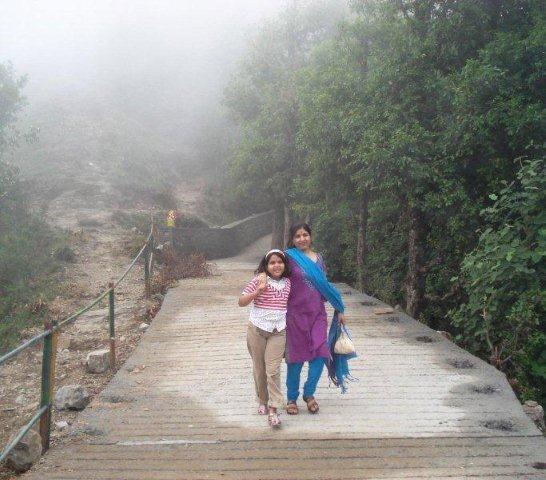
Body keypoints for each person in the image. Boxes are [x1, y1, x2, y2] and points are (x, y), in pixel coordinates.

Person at [284, 223, 347, 415]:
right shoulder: (288, 257)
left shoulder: (319, 258)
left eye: (305, 235)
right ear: (292, 239)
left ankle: (309, 393)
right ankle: (292, 397)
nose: (302, 239)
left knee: (321, 354)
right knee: (295, 359)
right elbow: (274, 276)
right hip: (294, 316)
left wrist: (339, 308)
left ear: (310, 237)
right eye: (297, 236)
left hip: (317, 314)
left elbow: (324, 285)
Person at [238, 249, 291, 428]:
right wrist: (257, 292)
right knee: (259, 369)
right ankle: (262, 400)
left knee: (273, 370)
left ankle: (273, 409)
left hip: (278, 331)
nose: (276, 266)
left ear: (284, 265)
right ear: (266, 266)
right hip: (257, 330)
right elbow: (241, 302)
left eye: (280, 262)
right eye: (272, 263)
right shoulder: (259, 280)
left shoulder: (288, 283)